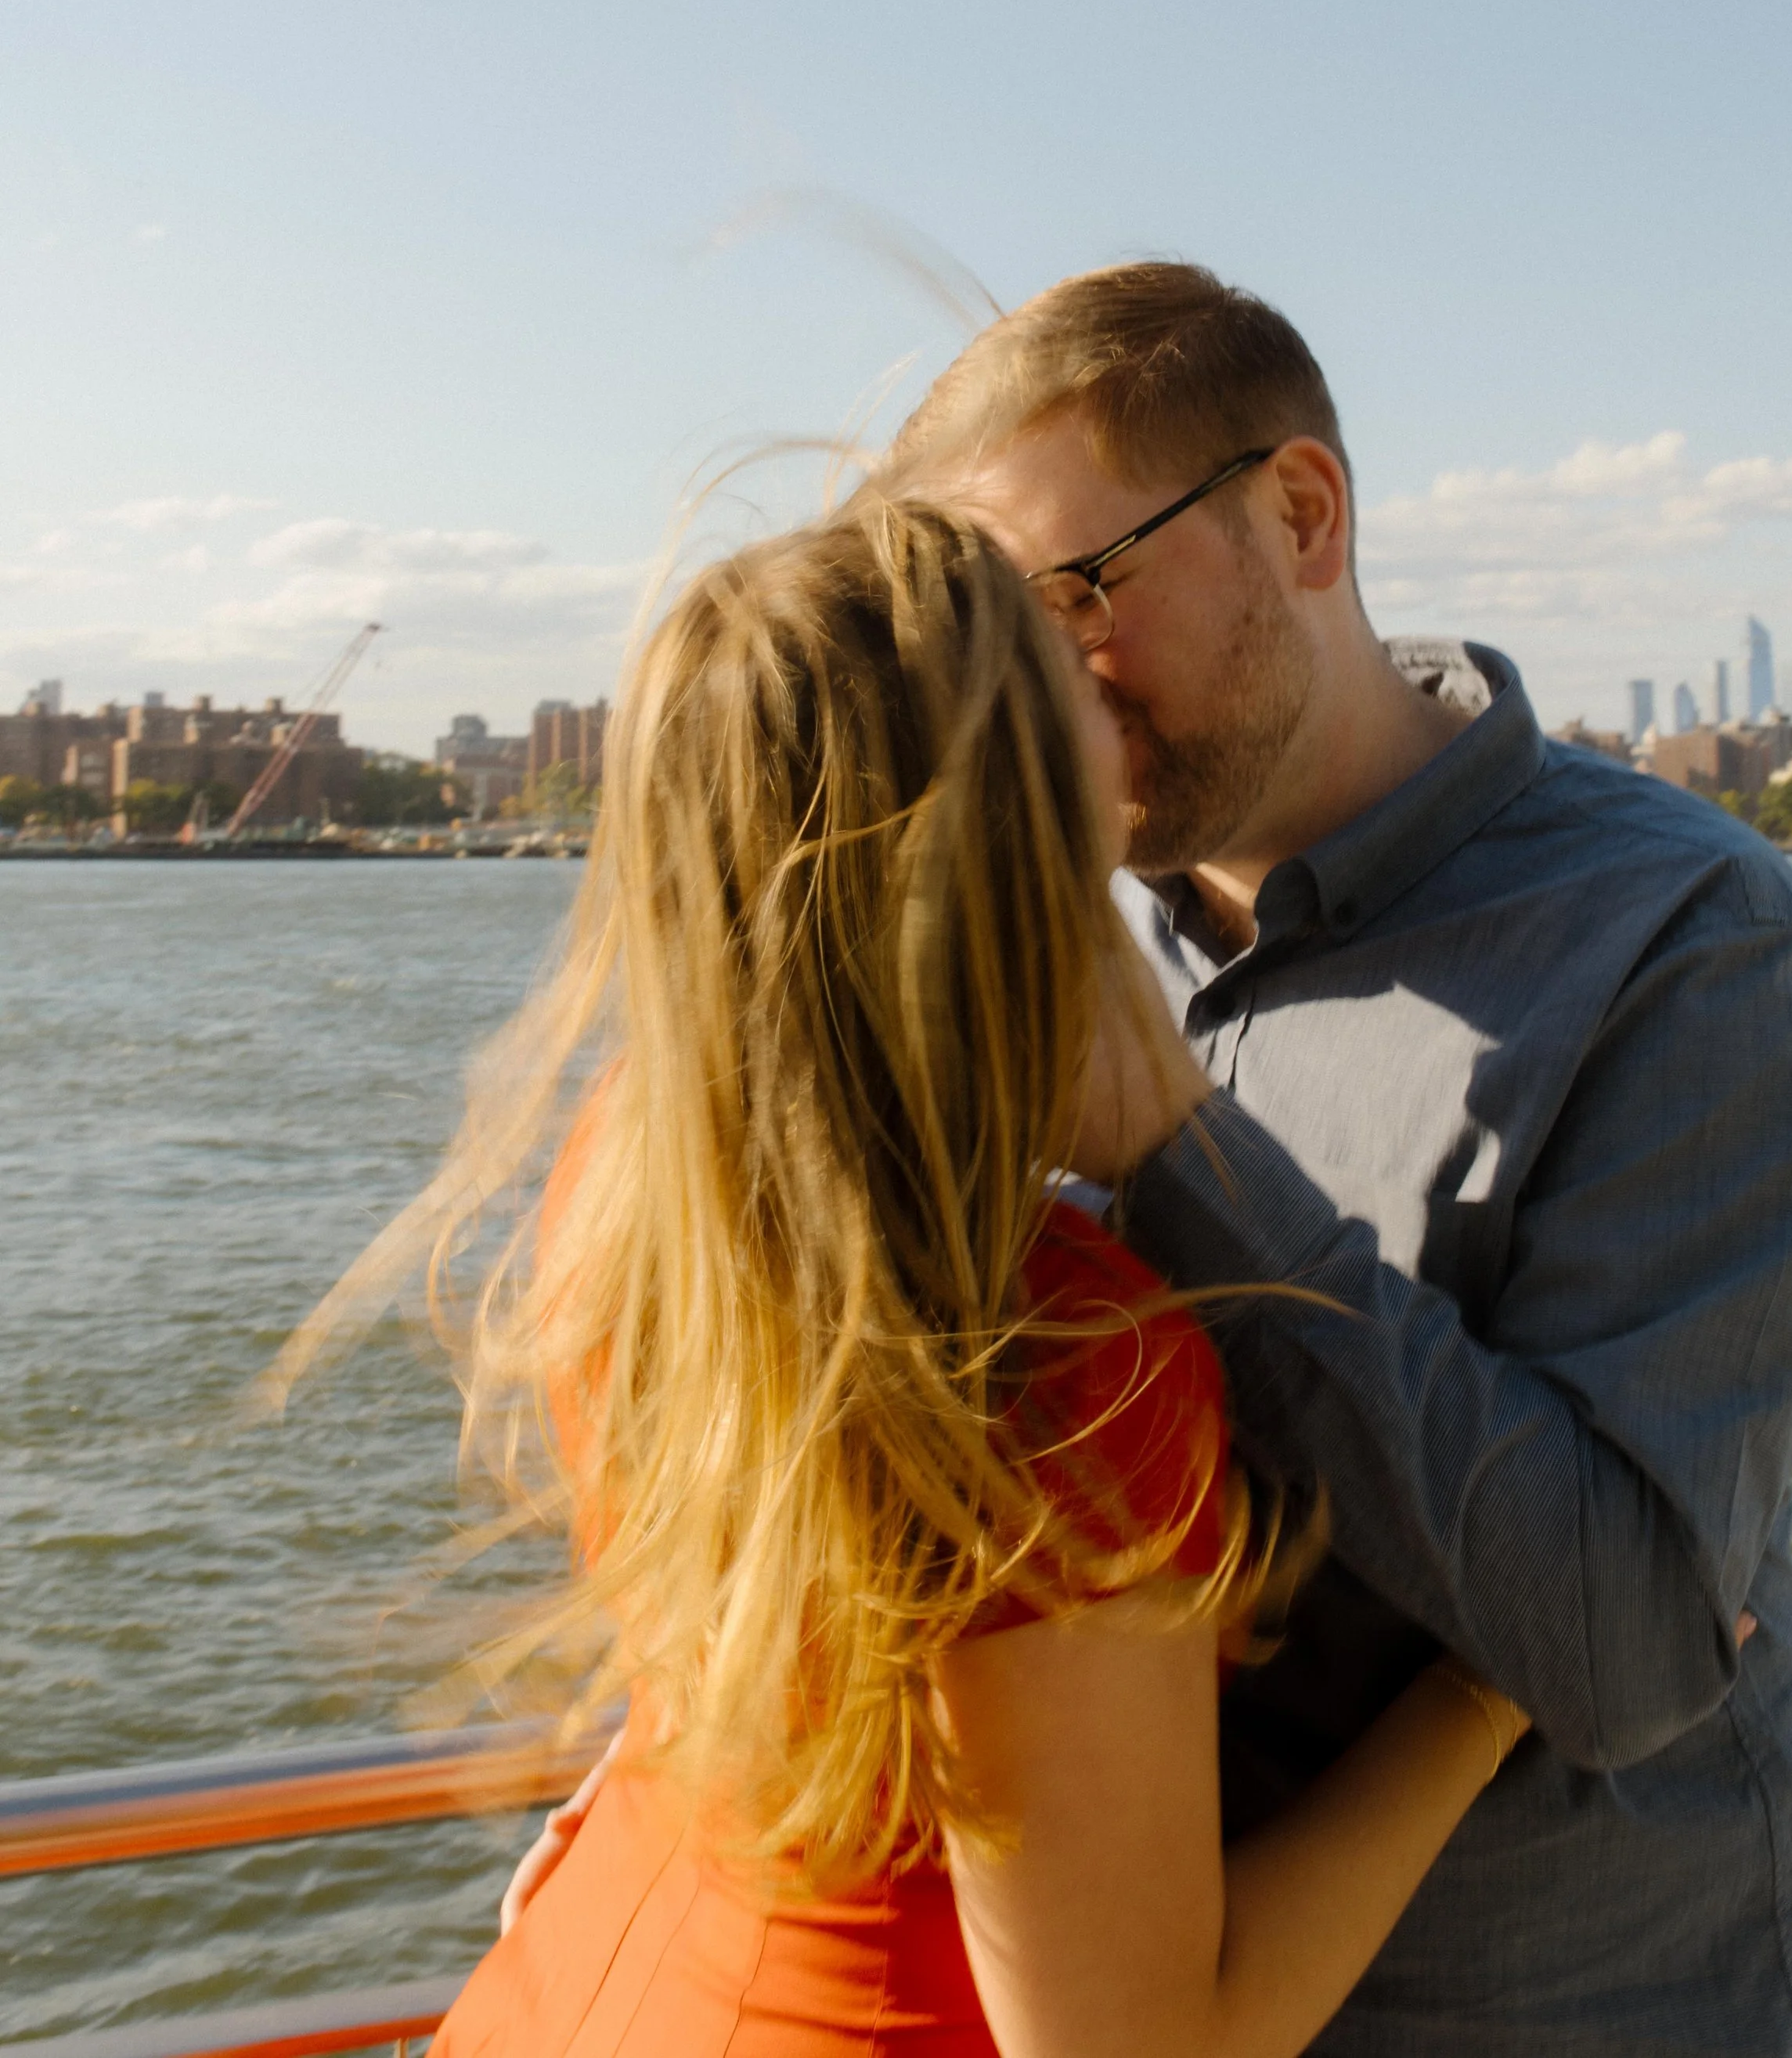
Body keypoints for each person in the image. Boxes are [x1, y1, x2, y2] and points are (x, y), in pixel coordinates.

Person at [872, 260, 1792, 2058]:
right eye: (991, 641)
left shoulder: (1686, 943)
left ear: (1302, 515)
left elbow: (1634, 1647)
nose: (1047, 692)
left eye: (1074, 596)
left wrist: (1174, 1152)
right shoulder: (1063, 943)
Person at [398, 496, 1523, 2058]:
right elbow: (1143, 2049)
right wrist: (1485, 1700)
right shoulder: (1057, 1358)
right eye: (1068, 678)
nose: (1114, 689)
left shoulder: (642, 1167)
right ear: (1001, 822)